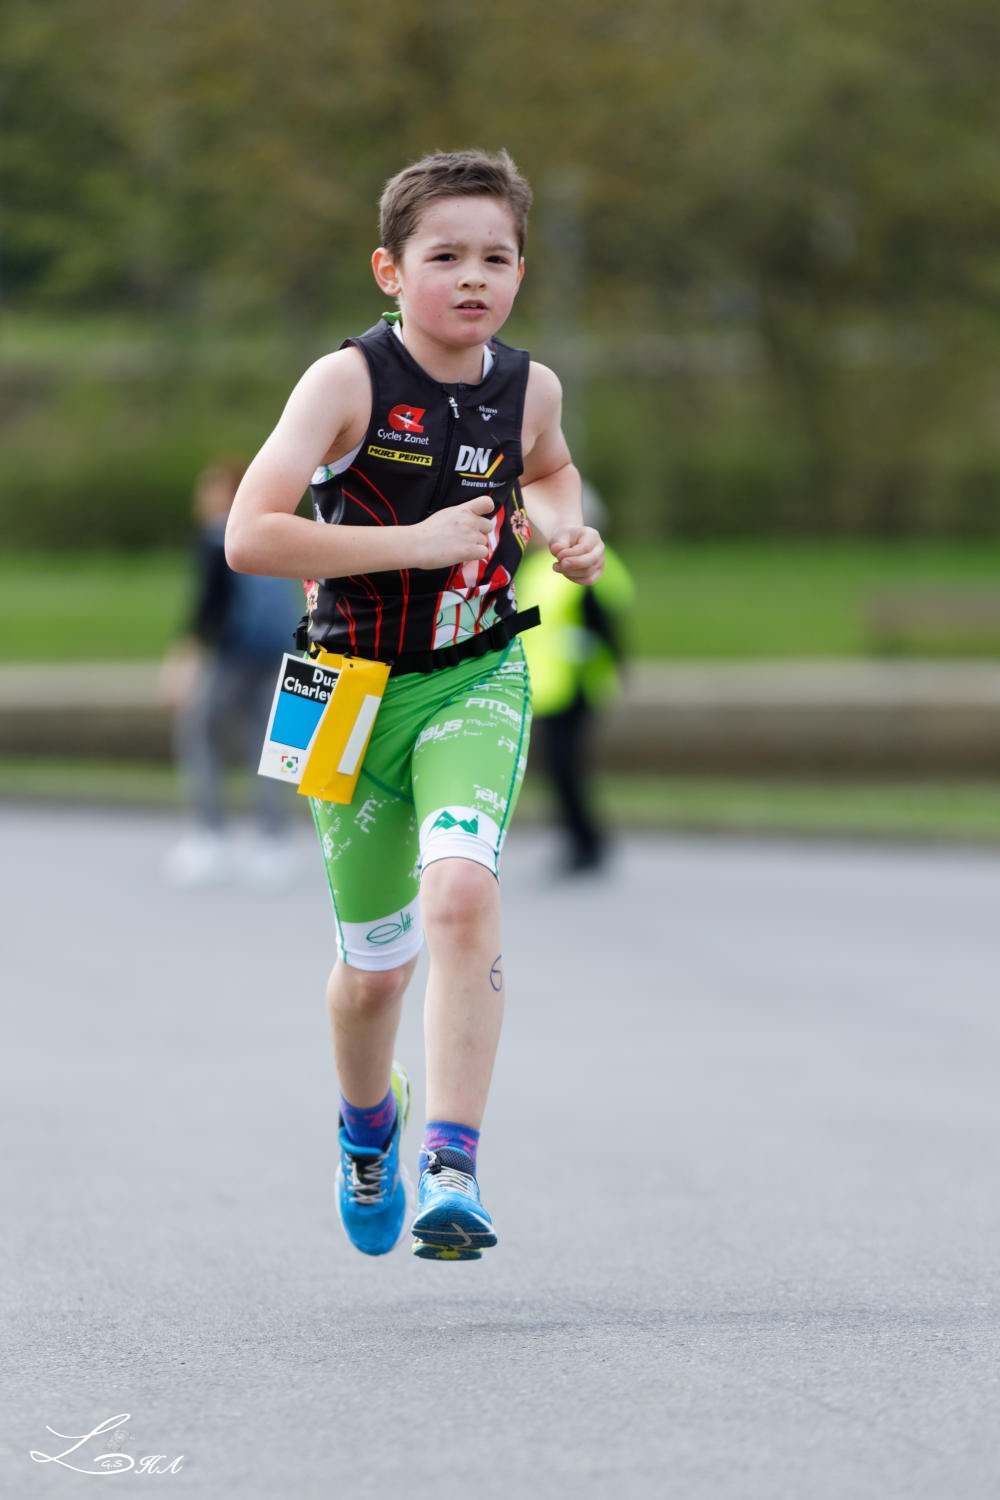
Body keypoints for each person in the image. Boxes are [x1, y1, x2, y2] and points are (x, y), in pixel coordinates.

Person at [225, 149, 604, 1262]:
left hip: (473, 676)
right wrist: (416, 542)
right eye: (445, 257)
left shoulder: (530, 389)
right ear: (390, 271)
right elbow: (250, 536)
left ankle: (452, 1163)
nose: (473, 277)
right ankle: (367, 1128)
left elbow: (549, 467)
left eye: (497, 257)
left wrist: (564, 529)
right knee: (372, 974)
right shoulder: (343, 383)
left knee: (461, 892)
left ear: (521, 271)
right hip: (338, 692)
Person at [161, 459, 302, 889]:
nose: (202, 497)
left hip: (234, 654)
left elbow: (209, 604)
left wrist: (184, 658)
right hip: (281, 650)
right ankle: (273, 841)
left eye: (209, 488)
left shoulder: (217, 534)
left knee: (200, 734)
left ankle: (210, 835)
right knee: (271, 746)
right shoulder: (272, 526)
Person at [518, 484, 634, 874]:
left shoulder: (585, 565)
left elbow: (602, 623)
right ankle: (581, 841)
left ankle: (587, 844)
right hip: (550, 687)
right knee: (560, 769)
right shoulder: (543, 568)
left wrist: (616, 670)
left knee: (566, 768)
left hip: (574, 686)